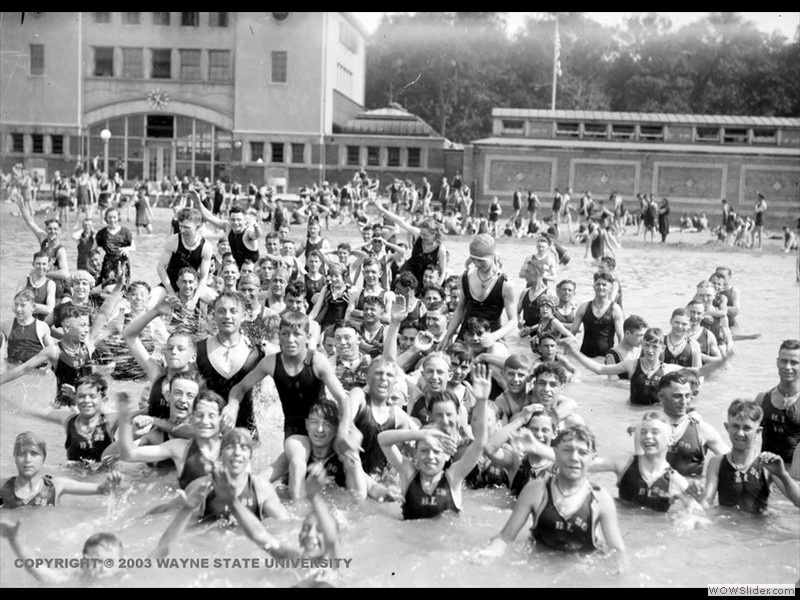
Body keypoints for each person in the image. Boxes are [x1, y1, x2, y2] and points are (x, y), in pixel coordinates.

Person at [226, 311, 357, 499]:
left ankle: (363, 501)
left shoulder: (316, 360)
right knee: (296, 460)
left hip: (322, 424)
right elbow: (240, 388)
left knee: (352, 454)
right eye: (285, 334)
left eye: (297, 334)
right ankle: (295, 512)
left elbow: (342, 398)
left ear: (308, 337)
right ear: (278, 336)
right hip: (295, 428)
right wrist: (232, 406)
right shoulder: (271, 362)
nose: (290, 340)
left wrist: (344, 429)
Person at [479, 426, 626, 569]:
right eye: (567, 450)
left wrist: (620, 573)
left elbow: (617, 551)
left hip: (582, 570)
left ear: (592, 459)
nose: (574, 458)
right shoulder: (535, 491)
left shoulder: (601, 499)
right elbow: (506, 537)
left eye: (582, 452)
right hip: (539, 568)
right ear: (555, 453)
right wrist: (488, 553)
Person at [378, 363, 491, 519]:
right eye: (424, 451)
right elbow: (383, 439)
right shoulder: (410, 473)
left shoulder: (453, 477)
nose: (430, 456)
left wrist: (483, 401)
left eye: (437, 452)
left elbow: (481, 443)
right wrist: (420, 435)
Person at [701, 400, 799, 512]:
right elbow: (706, 501)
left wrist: (782, 474)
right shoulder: (717, 462)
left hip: (759, 528)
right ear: (727, 427)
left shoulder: (767, 465)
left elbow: (798, 501)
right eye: (735, 426)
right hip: (727, 527)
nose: (740, 433)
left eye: (747, 428)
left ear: (758, 431)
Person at [4, 374, 120, 463]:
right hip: (74, 480)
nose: (86, 400)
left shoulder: (111, 420)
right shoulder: (68, 420)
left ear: (103, 400)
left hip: (105, 481)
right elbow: (27, 410)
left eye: (92, 396)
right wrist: (4, 399)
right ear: (75, 399)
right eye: (81, 396)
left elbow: (136, 416)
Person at [590, 412, 691, 512]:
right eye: (643, 432)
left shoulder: (677, 482)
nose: (647, 436)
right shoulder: (625, 464)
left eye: (655, 432)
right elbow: (585, 464)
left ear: (670, 439)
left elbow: (694, 514)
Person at [0, 431, 122, 508]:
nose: (27, 459)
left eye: (34, 454)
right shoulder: (2, 487)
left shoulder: (56, 486)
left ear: (43, 458)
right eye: (21, 454)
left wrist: (109, 485)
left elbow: (100, 489)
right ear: (15, 458)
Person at [440, 234, 517, 349]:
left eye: (481, 261)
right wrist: (447, 336)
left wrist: (494, 336)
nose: (477, 264)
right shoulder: (465, 277)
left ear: (492, 256)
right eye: (474, 259)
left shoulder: (506, 284)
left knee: (496, 353)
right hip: (466, 335)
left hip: (492, 337)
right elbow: (460, 310)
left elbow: (513, 321)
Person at [0, 521, 125, 585]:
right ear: (84, 561)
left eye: (110, 562)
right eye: (96, 562)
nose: (103, 568)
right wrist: (14, 539)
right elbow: (40, 571)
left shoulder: (124, 577)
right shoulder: (74, 578)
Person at [370, 199, 447, 289]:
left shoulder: (440, 249)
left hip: (425, 277)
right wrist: (381, 208)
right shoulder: (418, 233)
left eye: (425, 235)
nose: (421, 237)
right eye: (421, 234)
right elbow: (400, 222)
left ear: (434, 234)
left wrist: (437, 287)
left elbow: (443, 271)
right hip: (409, 270)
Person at [153, 207, 215, 313]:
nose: (182, 230)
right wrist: (171, 292)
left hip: (191, 285)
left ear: (198, 227)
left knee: (219, 302)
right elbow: (160, 267)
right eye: (180, 226)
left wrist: (195, 299)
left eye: (186, 227)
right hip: (170, 283)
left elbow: (204, 276)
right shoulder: (173, 240)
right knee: (149, 302)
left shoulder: (206, 247)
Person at [755, 339, 800, 465]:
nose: (788, 367)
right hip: (766, 472)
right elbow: (746, 433)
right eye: (784, 361)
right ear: (777, 362)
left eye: (794, 362)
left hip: (794, 477)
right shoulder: (762, 399)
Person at [570, 271, 624, 359]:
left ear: (610, 288)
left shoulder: (615, 309)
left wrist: (622, 357)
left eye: (604, 284)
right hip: (585, 357)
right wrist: (567, 353)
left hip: (606, 358)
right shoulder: (584, 307)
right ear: (593, 286)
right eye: (598, 284)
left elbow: (620, 336)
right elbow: (572, 333)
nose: (601, 287)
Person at [196, 201, 261, 270]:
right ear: (229, 219)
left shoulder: (248, 232)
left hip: (253, 271)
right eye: (233, 220)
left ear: (244, 220)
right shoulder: (228, 227)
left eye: (239, 220)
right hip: (239, 270)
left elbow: (257, 235)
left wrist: (256, 226)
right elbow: (209, 217)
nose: (236, 223)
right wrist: (197, 202)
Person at [1, 289, 55, 365]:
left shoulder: (42, 327)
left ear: (33, 307)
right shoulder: (6, 325)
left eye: (23, 305)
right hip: (13, 369)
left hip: (36, 370)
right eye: (16, 304)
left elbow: (53, 352)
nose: (18, 309)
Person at [95, 207, 134, 288]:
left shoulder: (125, 232)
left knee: (124, 287)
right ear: (106, 218)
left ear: (118, 217)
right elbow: (93, 250)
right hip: (108, 263)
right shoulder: (101, 233)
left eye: (114, 217)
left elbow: (133, 246)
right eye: (109, 217)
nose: (112, 220)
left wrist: (127, 249)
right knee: (108, 286)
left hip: (123, 263)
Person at [604, 315, 647, 380]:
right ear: (627, 333)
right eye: (639, 335)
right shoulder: (612, 356)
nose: (642, 339)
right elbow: (613, 382)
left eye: (644, 335)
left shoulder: (644, 350)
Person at [17, 251, 56, 321]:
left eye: (44, 264)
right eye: (38, 263)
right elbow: (16, 303)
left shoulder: (50, 284)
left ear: (48, 266)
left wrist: (30, 305)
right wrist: (40, 308)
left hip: (42, 322)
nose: (41, 267)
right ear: (33, 264)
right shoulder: (24, 281)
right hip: (24, 320)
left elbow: (50, 309)